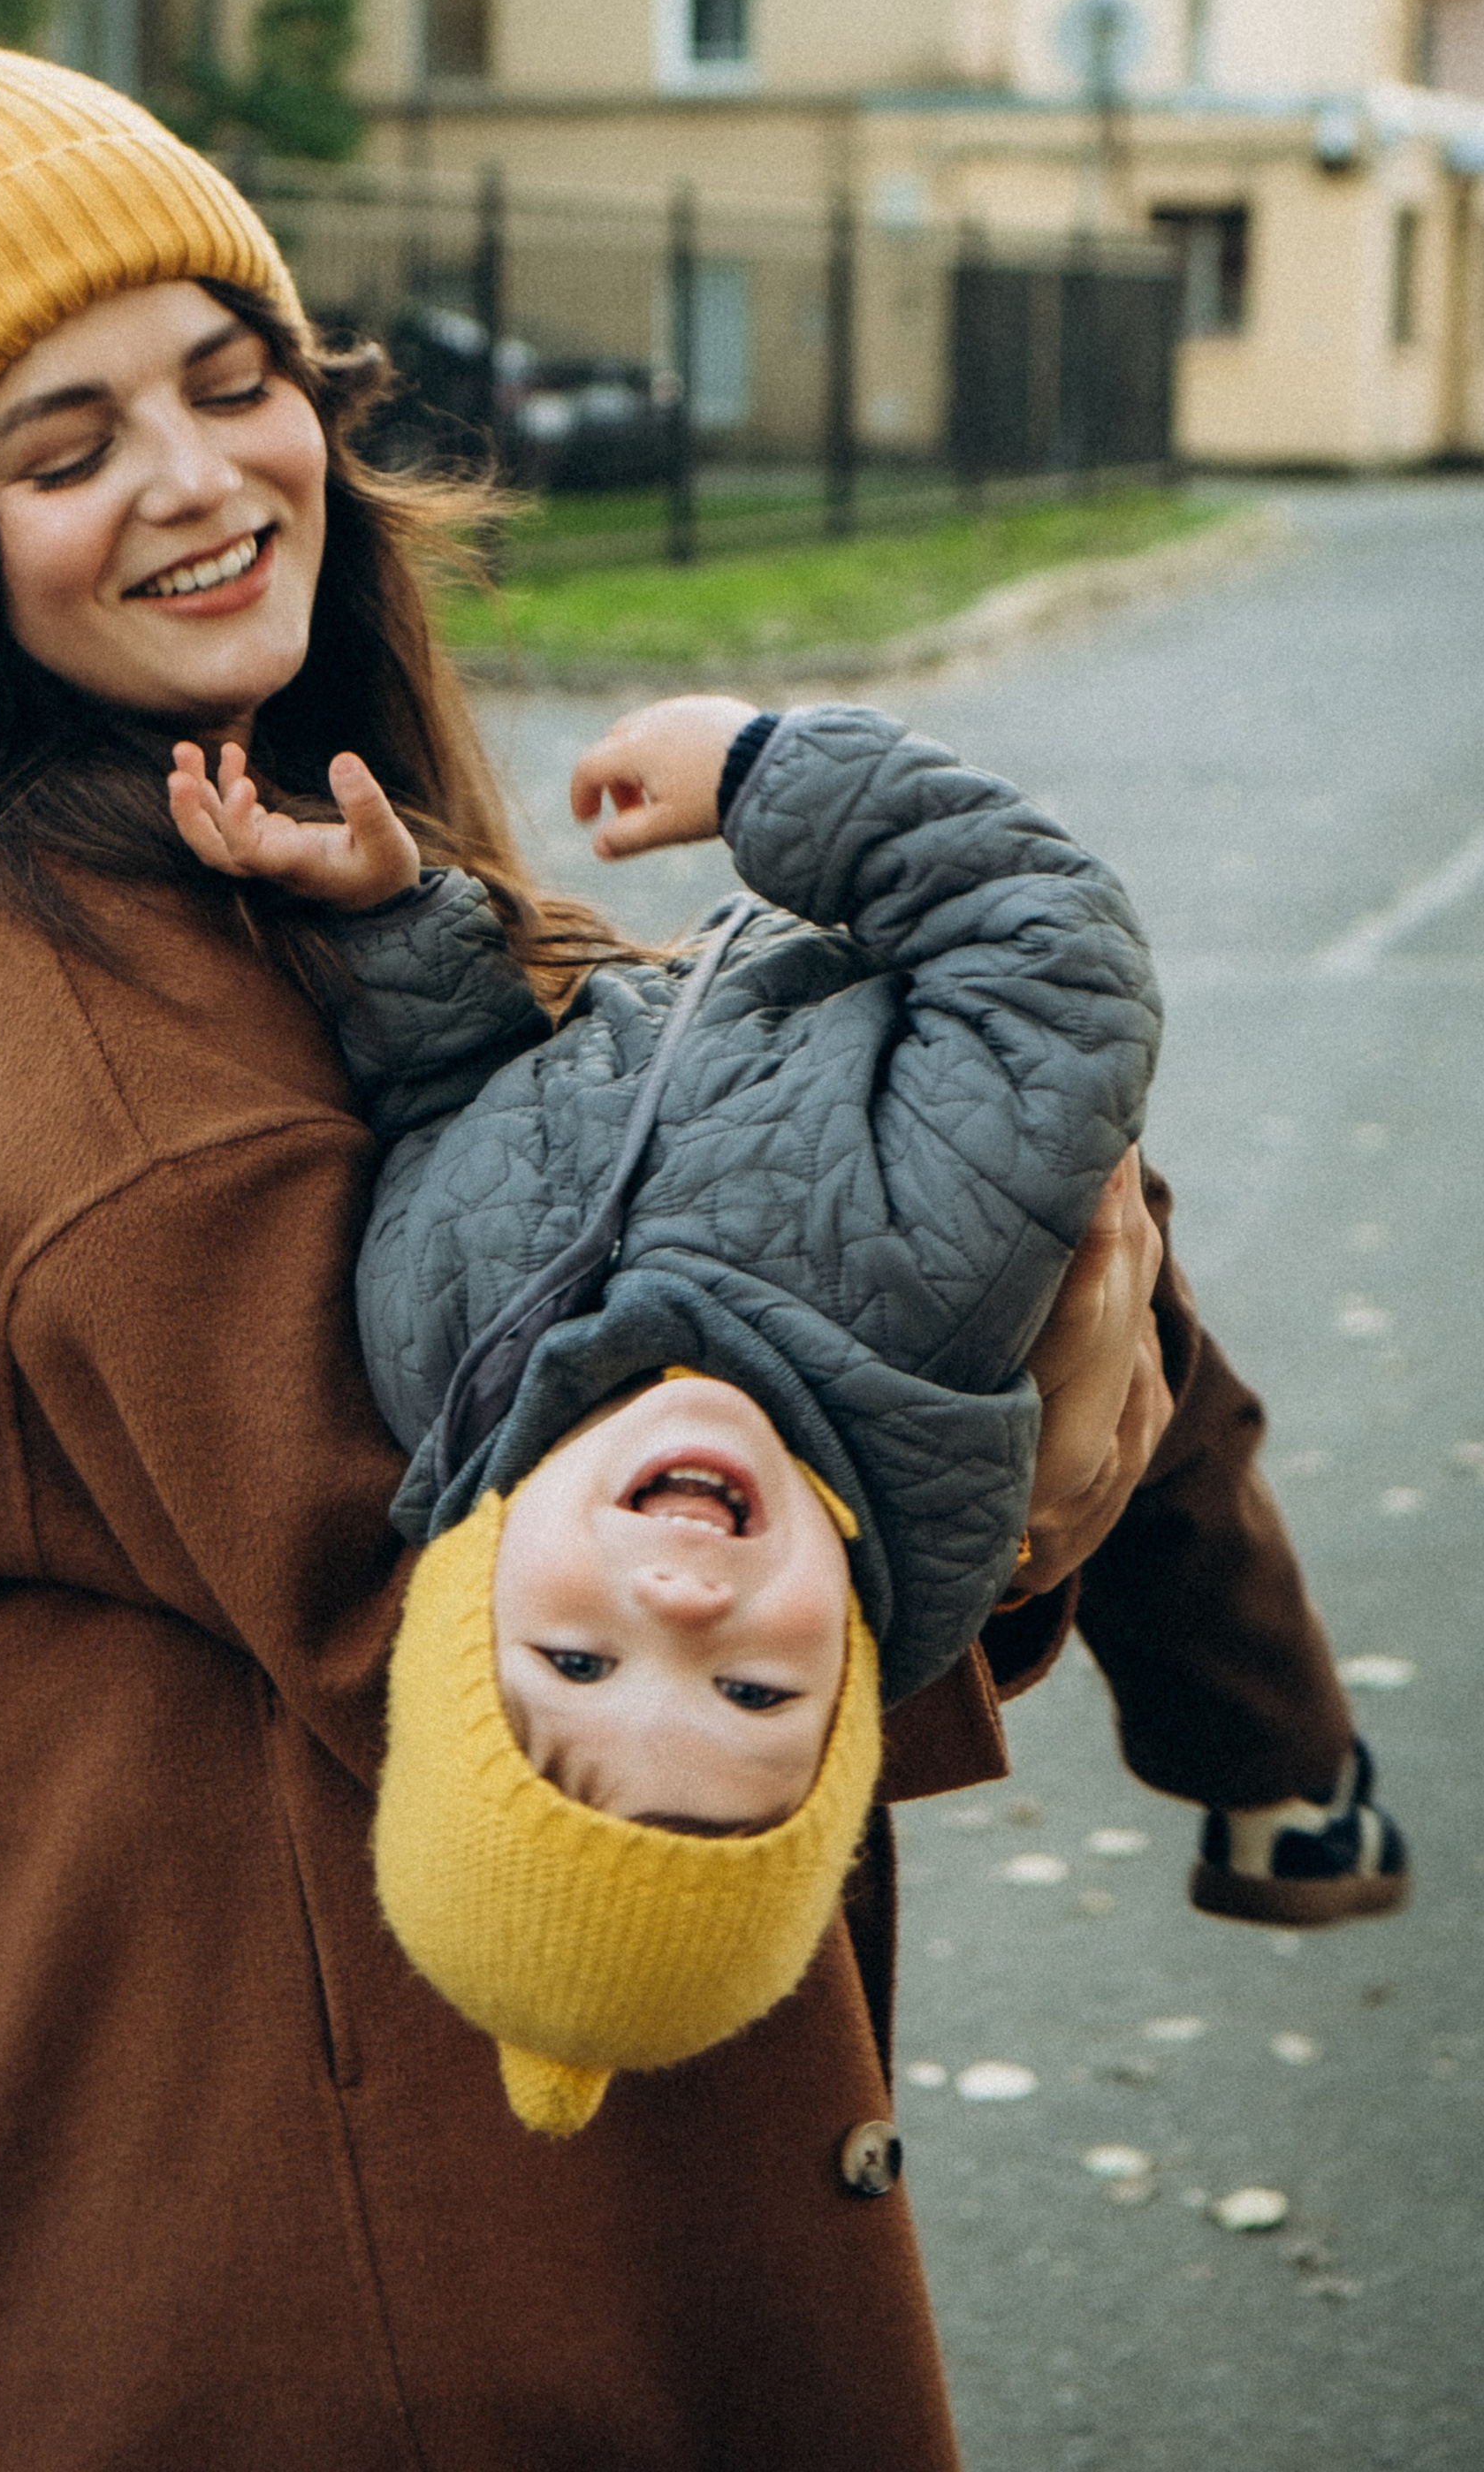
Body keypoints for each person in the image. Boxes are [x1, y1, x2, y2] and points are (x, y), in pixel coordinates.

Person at [0, 44, 1230, 2469]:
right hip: (365, 2247)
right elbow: (484, 1586)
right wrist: (1036, 1476)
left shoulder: (252, 862)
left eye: (231, 387)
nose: (194, 479)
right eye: (65, 448)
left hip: (429, 2134)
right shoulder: (83, 1049)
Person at [165, 696, 1407, 2133]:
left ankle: (1285, 1784)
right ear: (847, 1707)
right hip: (939, 1071)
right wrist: (772, 776)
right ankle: (1288, 1775)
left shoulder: (432, 1353)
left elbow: (453, 1095)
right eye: (751, 1697)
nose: (681, 1606)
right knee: (1176, 1434)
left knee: (1182, 1439)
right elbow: (1051, 954)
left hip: (720, 1019)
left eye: (575, 1661)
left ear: (462, 1595)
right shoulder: (927, 1278)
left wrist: (389, 927)